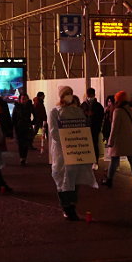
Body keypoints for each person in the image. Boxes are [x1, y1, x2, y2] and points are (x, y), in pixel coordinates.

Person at [48, 86, 98, 221]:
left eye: (70, 93)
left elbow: (83, 129)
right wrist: (67, 139)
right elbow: (54, 133)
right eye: (66, 94)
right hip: (62, 152)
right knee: (62, 178)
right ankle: (66, 207)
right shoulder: (55, 112)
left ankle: (72, 206)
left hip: (75, 151)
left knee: (74, 179)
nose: (69, 96)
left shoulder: (77, 111)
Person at [104, 91, 132, 190]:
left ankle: (109, 179)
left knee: (114, 160)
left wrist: (110, 142)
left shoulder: (117, 111)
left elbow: (114, 128)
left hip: (119, 140)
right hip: (130, 138)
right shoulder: (129, 109)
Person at [81, 88, 105, 168]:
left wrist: (93, 115)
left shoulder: (98, 106)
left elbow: (101, 117)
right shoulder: (83, 105)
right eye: (88, 95)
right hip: (85, 128)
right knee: (86, 145)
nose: (89, 97)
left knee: (94, 144)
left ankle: (95, 161)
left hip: (94, 128)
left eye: (91, 95)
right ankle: (88, 160)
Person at [11, 93, 34, 166]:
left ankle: (24, 157)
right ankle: (22, 158)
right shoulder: (17, 107)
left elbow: (35, 115)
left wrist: (32, 122)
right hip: (19, 127)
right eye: (22, 99)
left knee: (26, 143)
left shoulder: (30, 106)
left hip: (27, 126)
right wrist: (13, 126)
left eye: (25, 98)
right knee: (20, 143)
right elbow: (14, 117)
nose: (24, 100)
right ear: (20, 99)